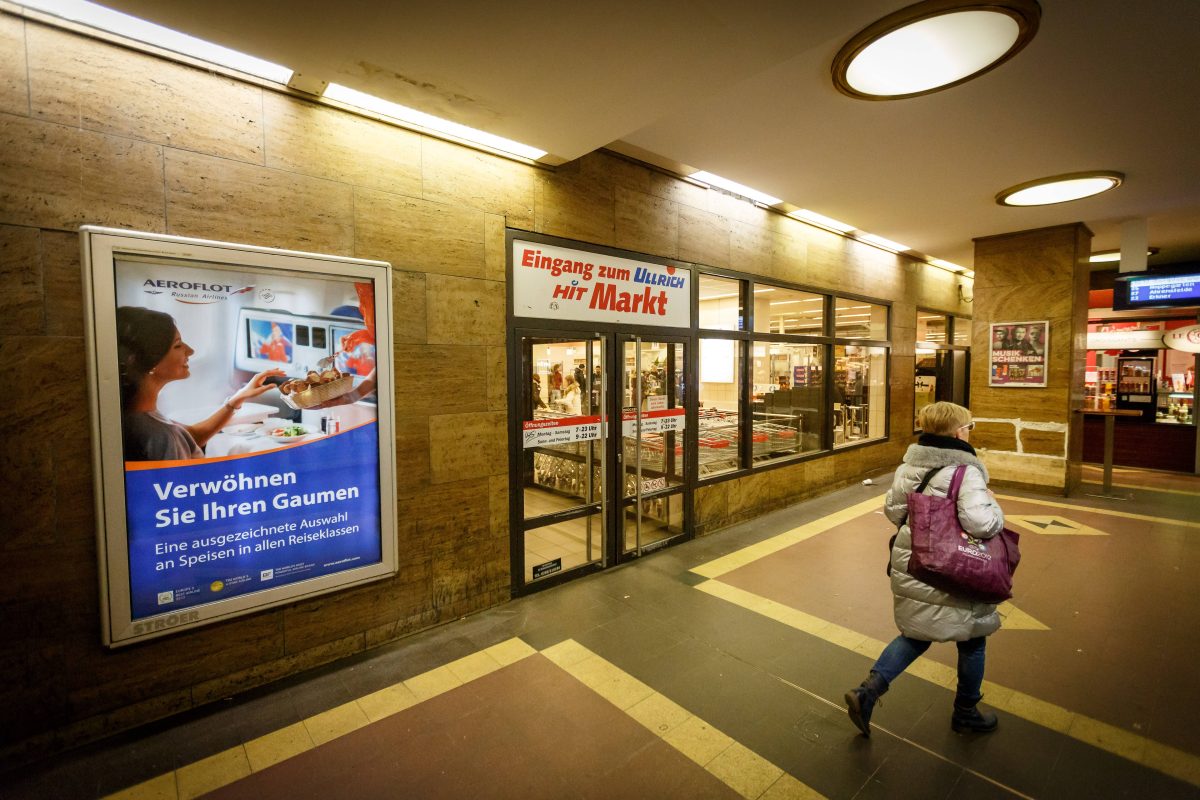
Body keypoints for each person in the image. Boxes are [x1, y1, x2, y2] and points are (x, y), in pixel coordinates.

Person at [845, 401, 1006, 737]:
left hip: (916, 560)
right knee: (974, 639)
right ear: (958, 431)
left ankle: (867, 692)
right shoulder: (967, 471)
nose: (969, 431)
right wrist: (993, 503)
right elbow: (980, 524)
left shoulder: (910, 463)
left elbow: (893, 512)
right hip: (954, 565)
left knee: (917, 633)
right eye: (968, 426)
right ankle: (966, 712)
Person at [117, 307, 284, 462]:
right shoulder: (162, 435)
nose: (190, 351)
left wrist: (236, 399)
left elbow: (191, 437)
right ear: (150, 361)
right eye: (177, 345)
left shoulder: (132, 414)